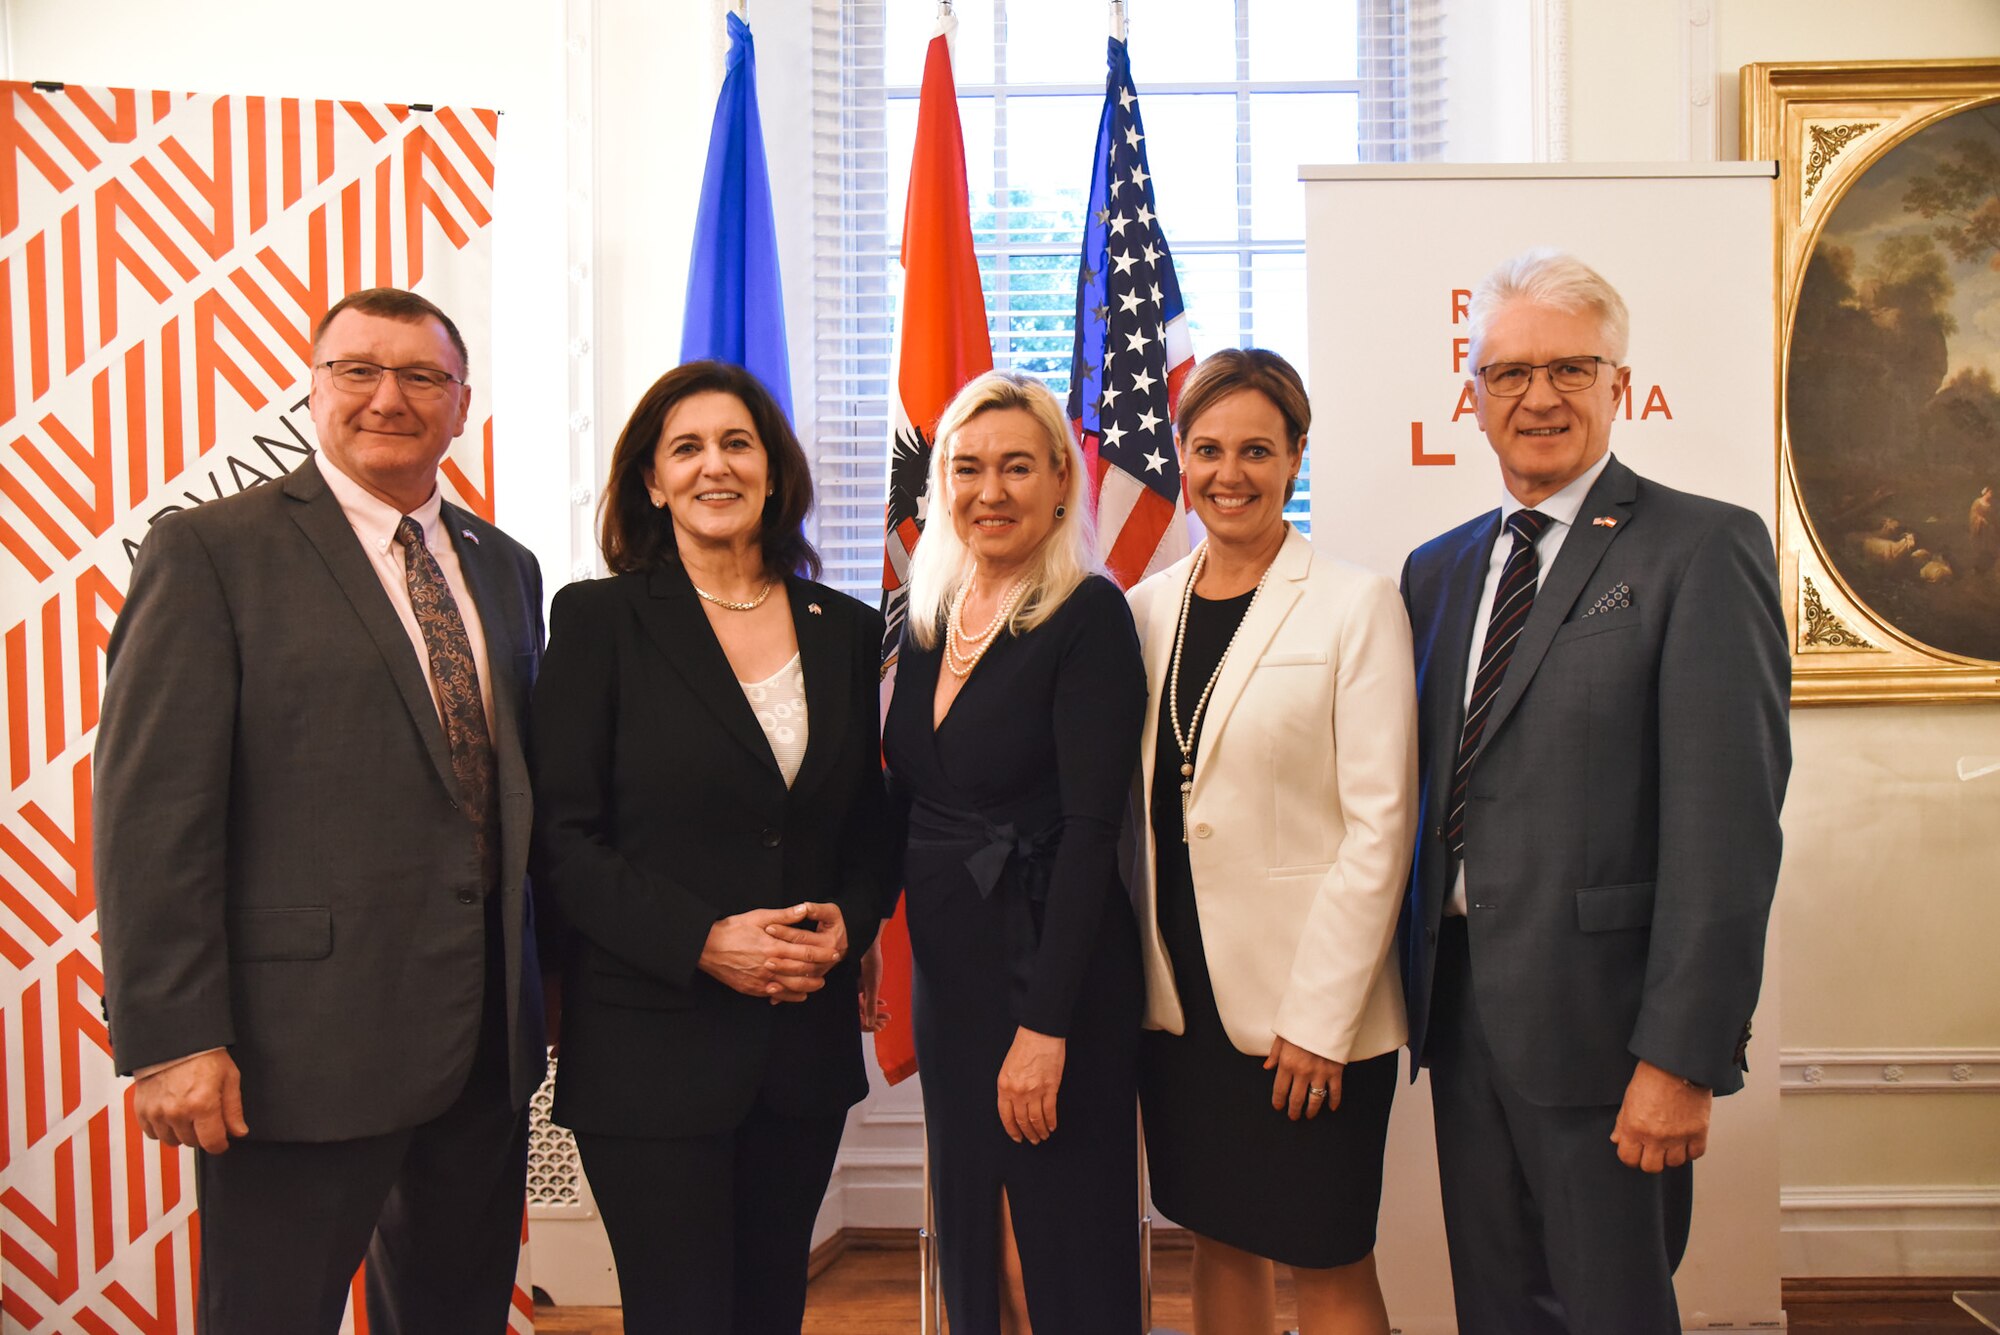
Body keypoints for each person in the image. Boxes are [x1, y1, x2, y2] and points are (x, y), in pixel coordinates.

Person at [94, 287, 548, 1334]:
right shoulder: (212, 553)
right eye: (359, 370)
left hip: (484, 1045)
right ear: (313, 388)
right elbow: (152, 811)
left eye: (422, 376)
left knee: (451, 1314)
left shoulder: (505, 568)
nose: (390, 397)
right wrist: (172, 1036)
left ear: (462, 402)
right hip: (296, 1050)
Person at [1398, 248, 1791, 1334]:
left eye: (1568, 368)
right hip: (1461, 1013)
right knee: (1495, 1310)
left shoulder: (1700, 548)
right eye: (1508, 373)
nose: (1537, 397)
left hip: (1609, 1038)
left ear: (1618, 382)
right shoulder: (1435, 571)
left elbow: (1726, 830)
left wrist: (1681, 1056)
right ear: (1472, 400)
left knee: (1609, 1312)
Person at [529, 360, 897, 1334]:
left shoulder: (848, 633)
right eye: (685, 448)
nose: (713, 466)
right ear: (650, 481)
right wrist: (702, 938)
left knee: (771, 1305)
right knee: (680, 1313)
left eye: (736, 443)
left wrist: (846, 925)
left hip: (798, 1048)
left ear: (772, 470)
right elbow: (561, 841)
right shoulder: (597, 620)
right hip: (650, 1040)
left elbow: (871, 828)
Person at [1126, 349, 1417, 1335]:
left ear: (1294, 456)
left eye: (1256, 449)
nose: (1229, 473)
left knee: (1326, 1253)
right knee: (1217, 1235)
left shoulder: (1354, 603)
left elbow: (1380, 828)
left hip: (1306, 1014)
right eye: (1206, 449)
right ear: (1179, 455)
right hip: (1179, 1003)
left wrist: (1319, 1019)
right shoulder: (1141, 610)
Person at [882, 369, 1146, 1334]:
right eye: (968, 467)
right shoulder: (930, 613)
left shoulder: (1088, 616)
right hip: (953, 975)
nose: (989, 491)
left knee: (1059, 1245)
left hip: (1053, 968)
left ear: (1062, 484)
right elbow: (906, 795)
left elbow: (1089, 834)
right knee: (976, 1234)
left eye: (1017, 467)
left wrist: (1046, 1027)